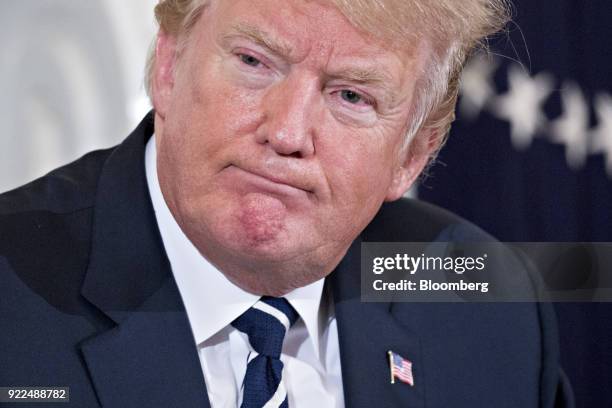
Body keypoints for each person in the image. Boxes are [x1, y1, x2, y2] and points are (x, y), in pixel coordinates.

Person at [0, 0, 572, 407]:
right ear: (169, 68)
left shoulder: (490, 310)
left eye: (351, 95)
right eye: (254, 62)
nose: (288, 132)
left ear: (412, 156)